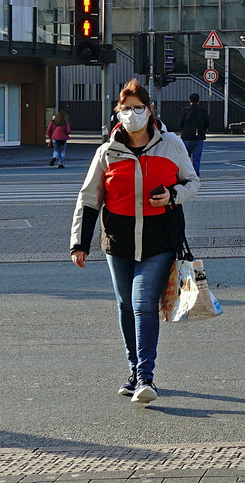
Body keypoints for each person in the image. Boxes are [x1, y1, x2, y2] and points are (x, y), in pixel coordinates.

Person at [70, 79, 198, 404]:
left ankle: (145, 377)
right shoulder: (107, 152)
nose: (132, 114)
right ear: (118, 113)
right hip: (119, 242)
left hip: (160, 241)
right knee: (125, 305)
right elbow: (89, 198)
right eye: (126, 109)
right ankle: (133, 370)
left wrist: (172, 194)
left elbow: (193, 182)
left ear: (150, 110)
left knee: (142, 303)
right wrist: (79, 244)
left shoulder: (171, 144)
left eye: (138, 108)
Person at [176, 93, 209, 172]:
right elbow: (207, 124)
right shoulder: (203, 111)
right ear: (199, 100)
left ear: (189, 100)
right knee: (196, 160)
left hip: (187, 137)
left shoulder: (185, 110)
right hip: (199, 137)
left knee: (185, 159)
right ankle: (196, 177)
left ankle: (187, 176)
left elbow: (180, 124)